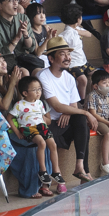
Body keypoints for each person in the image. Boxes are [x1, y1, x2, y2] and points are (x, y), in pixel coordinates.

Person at [0, 51, 46, 199]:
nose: (4, 63)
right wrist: (12, 85)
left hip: (18, 124)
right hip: (1, 130)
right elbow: (4, 106)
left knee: (44, 141)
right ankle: (28, 190)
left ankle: (42, 184)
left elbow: (21, 105)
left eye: (4, 60)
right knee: (30, 148)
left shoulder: (8, 82)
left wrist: (17, 85)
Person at [38, 36, 96, 182]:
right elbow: (56, 105)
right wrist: (85, 112)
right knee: (83, 117)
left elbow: (73, 105)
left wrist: (70, 113)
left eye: (68, 54)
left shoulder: (69, 77)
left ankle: (80, 167)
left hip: (64, 124)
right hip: (49, 126)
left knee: (81, 121)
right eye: (62, 54)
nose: (68, 58)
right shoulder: (43, 76)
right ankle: (85, 172)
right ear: (51, 59)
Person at [9, 75, 65, 197]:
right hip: (28, 128)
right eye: (34, 90)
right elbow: (9, 118)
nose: (38, 92)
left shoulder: (40, 103)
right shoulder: (19, 104)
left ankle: (56, 171)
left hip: (41, 126)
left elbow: (47, 120)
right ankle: (43, 171)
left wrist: (43, 121)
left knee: (53, 144)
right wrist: (18, 132)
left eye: (39, 89)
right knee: (41, 143)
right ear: (25, 93)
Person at [0, 0, 42, 74]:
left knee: (40, 73)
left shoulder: (23, 18)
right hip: (6, 63)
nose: (16, 3)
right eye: (10, 0)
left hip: (24, 59)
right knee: (24, 73)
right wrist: (16, 38)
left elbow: (31, 48)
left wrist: (26, 35)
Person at [59, 3, 94, 100]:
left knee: (96, 75)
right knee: (83, 80)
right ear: (78, 19)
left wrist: (77, 31)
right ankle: (82, 100)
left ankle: (92, 97)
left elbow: (89, 34)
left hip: (83, 61)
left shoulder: (76, 29)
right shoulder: (65, 35)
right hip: (73, 64)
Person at [24, 2, 55, 72]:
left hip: (48, 56)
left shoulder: (46, 27)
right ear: (31, 16)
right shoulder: (30, 31)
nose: (42, 16)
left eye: (43, 13)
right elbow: (38, 53)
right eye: (38, 13)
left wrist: (53, 38)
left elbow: (51, 48)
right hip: (37, 61)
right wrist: (47, 39)